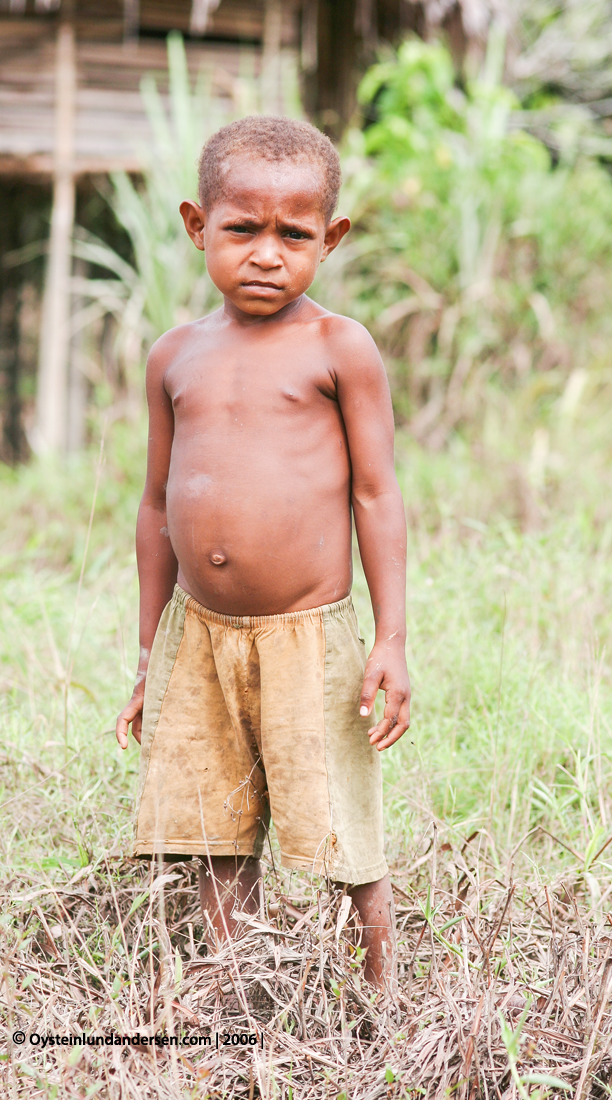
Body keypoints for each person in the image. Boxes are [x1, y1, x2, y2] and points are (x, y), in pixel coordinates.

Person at [116, 116, 410, 988]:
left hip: (308, 637)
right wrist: (147, 654)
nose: (267, 254)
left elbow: (376, 494)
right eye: (242, 229)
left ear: (332, 238)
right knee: (214, 821)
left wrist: (390, 639)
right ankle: (230, 984)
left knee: (339, 826)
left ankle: (381, 996)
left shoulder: (338, 347)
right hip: (199, 635)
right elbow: (154, 506)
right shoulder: (175, 355)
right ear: (197, 225)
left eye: (295, 234)